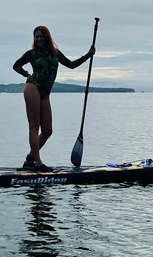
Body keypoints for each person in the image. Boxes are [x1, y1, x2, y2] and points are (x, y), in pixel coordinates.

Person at [13, 25, 95, 170]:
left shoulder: (55, 53)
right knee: (34, 126)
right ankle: (37, 163)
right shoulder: (31, 54)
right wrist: (26, 74)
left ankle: (30, 158)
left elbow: (71, 65)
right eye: (36, 37)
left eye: (41, 36)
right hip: (33, 88)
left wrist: (88, 55)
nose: (38, 39)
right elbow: (16, 66)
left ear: (47, 37)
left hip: (45, 94)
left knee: (47, 131)